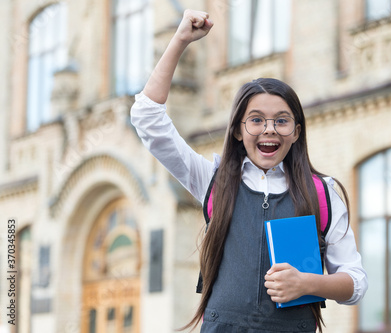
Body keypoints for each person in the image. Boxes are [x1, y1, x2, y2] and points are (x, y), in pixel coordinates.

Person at [131, 9, 367, 333]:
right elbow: (147, 118)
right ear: (239, 131)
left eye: (282, 120)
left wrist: (307, 283)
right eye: (256, 120)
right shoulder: (213, 180)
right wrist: (180, 40)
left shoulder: (322, 194)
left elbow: (355, 283)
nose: (269, 130)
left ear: (297, 131)